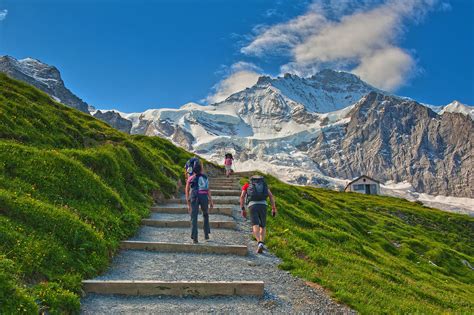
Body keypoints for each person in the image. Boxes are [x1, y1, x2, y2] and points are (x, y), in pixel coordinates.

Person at [240, 175, 277, 253]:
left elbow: (242, 196)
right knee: (263, 225)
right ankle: (262, 242)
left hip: (252, 205)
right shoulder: (264, 185)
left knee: (255, 224)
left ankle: (259, 242)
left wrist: (243, 208)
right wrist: (274, 208)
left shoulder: (247, 185)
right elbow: (271, 196)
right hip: (263, 205)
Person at [185, 159, 214, 243]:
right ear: (201, 169)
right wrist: (211, 201)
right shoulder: (205, 177)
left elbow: (186, 190)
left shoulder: (190, 178)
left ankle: (195, 237)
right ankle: (206, 234)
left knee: (194, 216)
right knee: (205, 214)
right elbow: (208, 189)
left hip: (194, 195)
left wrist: (188, 203)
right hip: (204, 196)